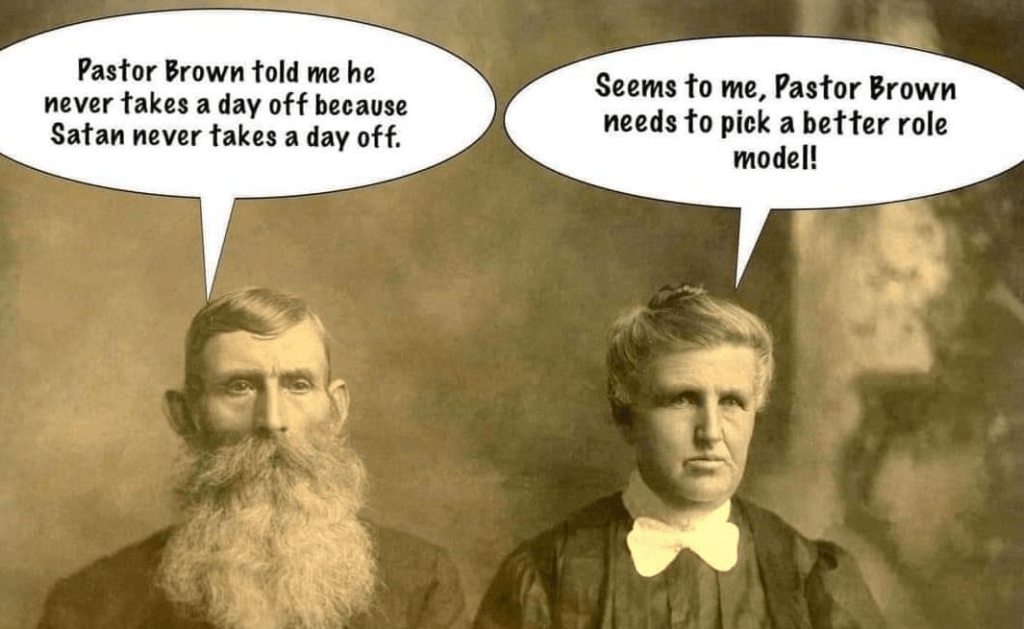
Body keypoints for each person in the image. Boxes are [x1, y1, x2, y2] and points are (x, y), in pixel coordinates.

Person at [38, 288, 467, 629]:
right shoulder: (92, 606)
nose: (272, 420)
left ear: (336, 409)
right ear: (185, 415)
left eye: (298, 385)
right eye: (239, 387)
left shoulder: (420, 581)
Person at [474, 284, 885, 629]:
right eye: (683, 400)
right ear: (626, 418)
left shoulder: (808, 575)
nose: (711, 432)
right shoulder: (547, 576)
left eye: (732, 402)